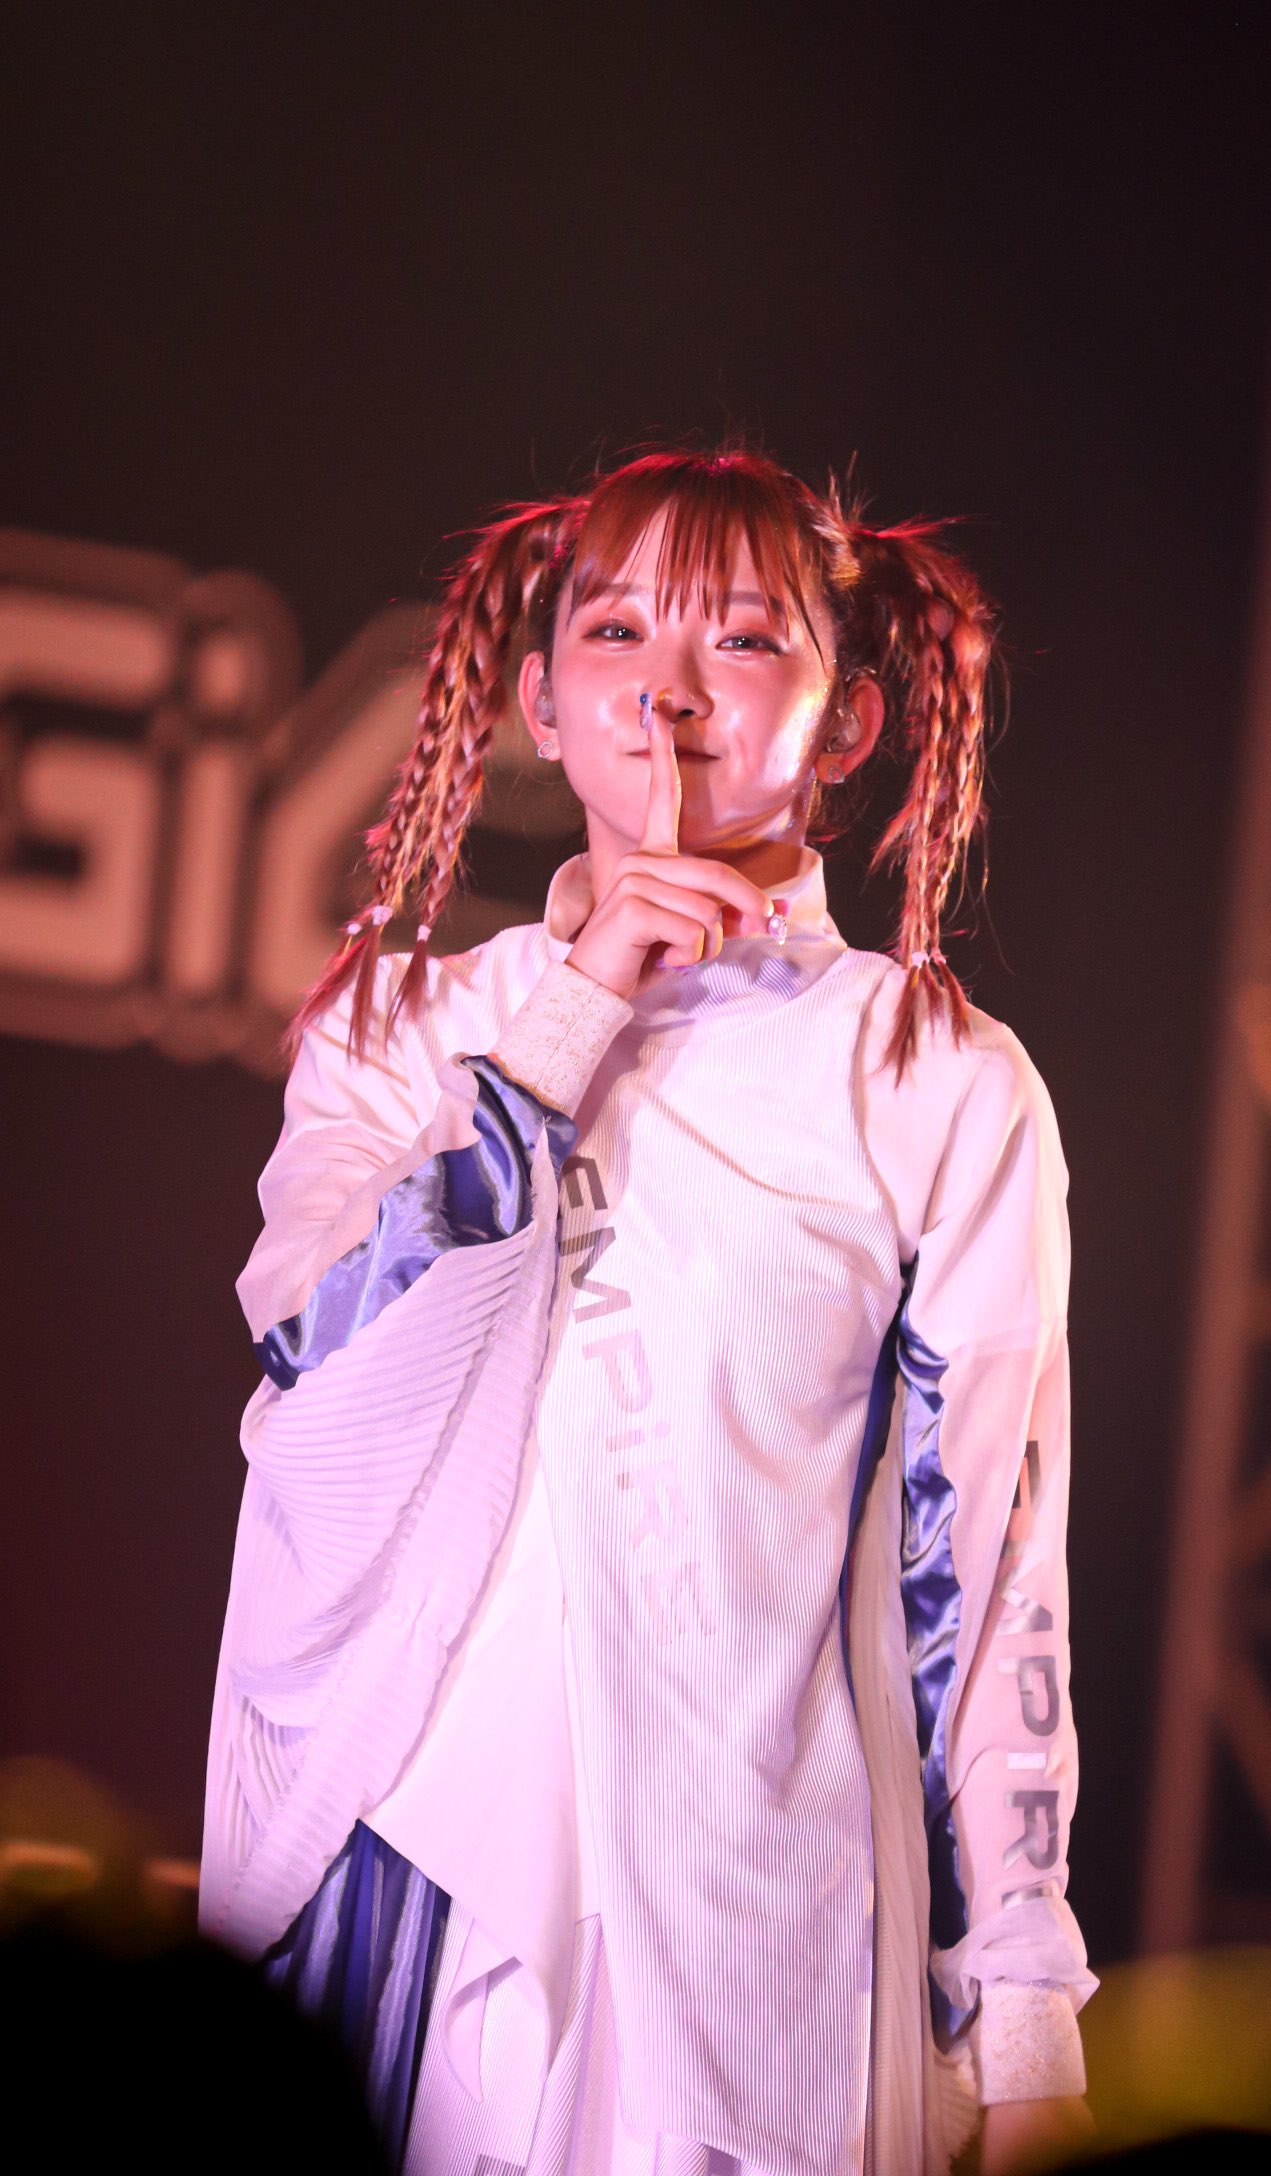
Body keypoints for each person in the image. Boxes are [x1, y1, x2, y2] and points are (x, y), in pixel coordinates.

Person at [200, 446, 1097, 2176]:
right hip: (403, 1878)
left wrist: (1025, 2013)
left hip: (744, 1933)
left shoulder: (930, 1077)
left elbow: (988, 1575)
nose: (670, 690)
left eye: (744, 640)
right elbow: (319, 1365)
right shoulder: (399, 1030)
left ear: (845, 724)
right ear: (540, 702)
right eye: (616, 632)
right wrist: (574, 1012)